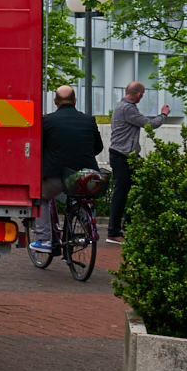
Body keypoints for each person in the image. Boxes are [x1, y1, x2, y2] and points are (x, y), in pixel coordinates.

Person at [35, 84, 101, 248]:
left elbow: (39, 147)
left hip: (56, 176)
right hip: (86, 177)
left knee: (40, 198)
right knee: (77, 197)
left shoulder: (47, 121)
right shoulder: (89, 120)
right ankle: (86, 220)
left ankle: (43, 240)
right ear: (75, 100)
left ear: (55, 101)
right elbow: (98, 147)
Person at [108, 80, 170, 241]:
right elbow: (149, 124)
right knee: (121, 193)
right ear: (139, 94)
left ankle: (125, 226)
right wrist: (163, 114)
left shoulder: (124, 107)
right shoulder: (127, 109)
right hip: (123, 155)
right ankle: (114, 232)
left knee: (140, 188)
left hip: (127, 155)